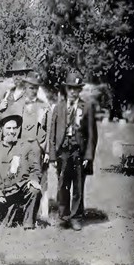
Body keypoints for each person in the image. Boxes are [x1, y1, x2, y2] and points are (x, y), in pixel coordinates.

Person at [0, 111, 42, 230]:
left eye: (14, 128)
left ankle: (28, 224)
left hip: (19, 189)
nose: (12, 131)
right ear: (1, 129)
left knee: (34, 189)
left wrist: (34, 179)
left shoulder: (26, 146)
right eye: (8, 128)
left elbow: (35, 169)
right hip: (1, 191)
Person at [49, 72, 98, 231]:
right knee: (62, 185)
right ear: (66, 89)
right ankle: (64, 216)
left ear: (80, 90)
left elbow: (91, 134)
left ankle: (76, 217)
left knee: (78, 185)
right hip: (62, 152)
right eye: (70, 88)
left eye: (76, 89)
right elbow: (52, 134)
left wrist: (88, 156)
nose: (73, 92)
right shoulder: (59, 107)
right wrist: (52, 156)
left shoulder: (87, 107)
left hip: (78, 152)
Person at [11, 71, 51, 221]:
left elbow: (49, 130)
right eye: (29, 87)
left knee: (41, 178)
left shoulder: (44, 106)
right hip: (21, 146)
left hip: (38, 146)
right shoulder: (18, 103)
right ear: (25, 88)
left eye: (35, 88)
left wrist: (47, 151)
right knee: (21, 176)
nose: (32, 90)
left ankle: (44, 213)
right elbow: (12, 127)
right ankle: (21, 212)